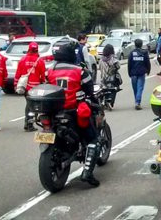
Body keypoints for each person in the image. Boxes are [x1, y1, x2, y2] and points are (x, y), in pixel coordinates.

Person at [47, 39, 101, 187]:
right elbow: (90, 90)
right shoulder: (79, 70)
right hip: (73, 112)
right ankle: (87, 173)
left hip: (54, 113)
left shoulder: (49, 70)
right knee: (93, 140)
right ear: (71, 53)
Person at [13, 42, 46, 131]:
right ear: (37, 50)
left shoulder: (22, 60)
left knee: (29, 104)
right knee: (34, 106)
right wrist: (44, 83)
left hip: (25, 86)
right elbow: (43, 75)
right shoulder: (40, 61)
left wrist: (16, 84)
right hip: (35, 87)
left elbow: (18, 74)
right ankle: (29, 124)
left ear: (28, 49)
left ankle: (28, 123)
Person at [128, 38, 151, 110]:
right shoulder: (144, 52)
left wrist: (129, 73)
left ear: (135, 45)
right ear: (141, 45)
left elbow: (129, 64)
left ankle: (137, 102)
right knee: (139, 88)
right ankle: (137, 102)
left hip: (133, 73)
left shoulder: (132, 53)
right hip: (141, 73)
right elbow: (147, 62)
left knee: (135, 89)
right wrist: (148, 70)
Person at [98, 44, 122, 110]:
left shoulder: (101, 59)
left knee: (105, 90)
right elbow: (118, 66)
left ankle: (105, 102)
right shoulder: (113, 58)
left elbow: (99, 67)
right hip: (112, 77)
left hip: (103, 77)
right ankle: (110, 102)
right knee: (114, 89)